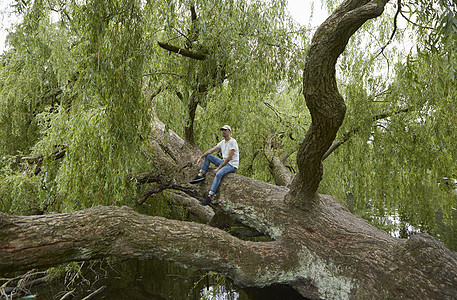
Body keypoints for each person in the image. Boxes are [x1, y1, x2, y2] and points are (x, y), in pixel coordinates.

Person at [189, 125, 239, 206]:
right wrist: (201, 157)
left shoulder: (232, 142)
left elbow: (229, 158)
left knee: (218, 174)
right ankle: (201, 174)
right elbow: (212, 150)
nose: (223, 131)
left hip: (232, 165)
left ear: (229, 131)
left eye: (225, 130)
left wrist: (218, 168)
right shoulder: (222, 142)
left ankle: (209, 197)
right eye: (222, 130)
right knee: (208, 157)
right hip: (224, 163)